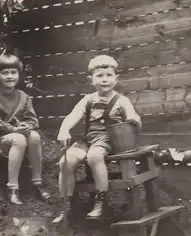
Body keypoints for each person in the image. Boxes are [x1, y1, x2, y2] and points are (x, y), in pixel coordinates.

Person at [54, 55, 142, 222]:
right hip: (88, 139)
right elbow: (73, 115)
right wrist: (64, 130)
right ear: (91, 80)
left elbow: (134, 120)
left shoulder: (121, 101)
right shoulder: (88, 100)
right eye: (99, 76)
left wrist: (134, 120)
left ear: (116, 78)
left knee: (94, 157)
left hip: (108, 140)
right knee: (66, 162)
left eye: (109, 75)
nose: (104, 80)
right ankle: (66, 204)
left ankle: (100, 200)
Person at [0, 53, 51, 205]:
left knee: (34, 136)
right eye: (5, 73)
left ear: (19, 75)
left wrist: (27, 126)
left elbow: (32, 119)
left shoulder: (23, 96)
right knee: (18, 139)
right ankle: (12, 188)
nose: (10, 76)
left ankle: (37, 184)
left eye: (13, 72)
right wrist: (15, 129)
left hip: (18, 134)